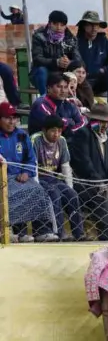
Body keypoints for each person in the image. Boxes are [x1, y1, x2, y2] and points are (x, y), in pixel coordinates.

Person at [69, 102, 108, 241]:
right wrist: (99, 182)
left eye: (107, 122)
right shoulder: (82, 134)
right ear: (93, 121)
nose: (105, 125)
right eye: (101, 122)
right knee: (100, 194)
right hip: (86, 183)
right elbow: (84, 164)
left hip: (105, 181)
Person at [0, 101, 59, 242]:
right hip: (3, 179)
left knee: (39, 191)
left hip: (22, 177)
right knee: (13, 194)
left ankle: (42, 231)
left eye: (14, 118)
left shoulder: (22, 135)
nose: (12, 121)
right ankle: (18, 234)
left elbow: (31, 159)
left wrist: (26, 172)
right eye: (7, 117)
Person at [31, 115, 87, 242]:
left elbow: (65, 166)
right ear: (44, 130)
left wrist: (69, 187)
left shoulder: (62, 141)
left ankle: (79, 233)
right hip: (39, 178)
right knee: (54, 194)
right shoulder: (36, 139)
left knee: (72, 195)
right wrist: (36, 186)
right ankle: (60, 233)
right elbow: (32, 165)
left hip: (53, 178)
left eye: (59, 131)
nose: (56, 134)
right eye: (53, 130)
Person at [30, 10, 81, 96]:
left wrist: (69, 62)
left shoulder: (71, 39)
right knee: (42, 70)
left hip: (61, 73)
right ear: (49, 24)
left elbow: (78, 60)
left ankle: (84, 106)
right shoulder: (39, 36)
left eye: (62, 25)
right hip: (42, 73)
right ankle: (45, 100)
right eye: (55, 24)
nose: (58, 27)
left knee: (79, 73)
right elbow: (37, 59)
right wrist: (56, 62)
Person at [75, 11, 108, 110]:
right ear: (84, 26)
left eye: (97, 25)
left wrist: (103, 69)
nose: (94, 28)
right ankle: (84, 109)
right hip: (83, 81)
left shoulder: (105, 42)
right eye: (91, 25)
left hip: (100, 80)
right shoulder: (76, 43)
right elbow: (72, 63)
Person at [28, 72, 86, 140]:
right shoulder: (41, 105)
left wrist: (70, 128)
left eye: (65, 87)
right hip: (43, 143)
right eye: (59, 87)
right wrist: (71, 122)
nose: (63, 91)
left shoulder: (69, 103)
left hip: (65, 140)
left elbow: (82, 123)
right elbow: (56, 125)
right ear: (49, 88)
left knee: (86, 135)